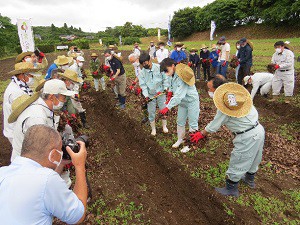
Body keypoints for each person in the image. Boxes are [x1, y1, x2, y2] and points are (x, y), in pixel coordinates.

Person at [189, 80, 265, 197]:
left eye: (209, 89)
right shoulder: (237, 98)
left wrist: (201, 134)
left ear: (217, 90)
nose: (208, 91)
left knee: (239, 159)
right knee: (255, 156)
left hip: (247, 136)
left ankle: (231, 189)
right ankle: (249, 180)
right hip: (258, 129)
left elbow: (215, 124)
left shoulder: (226, 107)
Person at [0, 124, 87, 224]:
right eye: (60, 150)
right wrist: (80, 166)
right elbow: (77, 215)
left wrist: (61, 163)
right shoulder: (48, 180)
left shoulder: (3, 173)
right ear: (53, 154)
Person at [10, 79, 75, 162]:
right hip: (27, 164)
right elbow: (40, 149)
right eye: (63, 97)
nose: (65, 100)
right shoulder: (37, 117)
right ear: (52, 97)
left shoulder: (44, 109)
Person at [159, 58, 200, 153]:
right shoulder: (172, 74)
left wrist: (167, 107)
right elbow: (172, 86)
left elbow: (178, 96)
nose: (165, 73)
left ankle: (190, 145)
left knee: (193, 123)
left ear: (172, 66)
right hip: (183, 103)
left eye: (166, 70)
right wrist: (169, 93)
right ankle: (180, 139)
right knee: (180, 121)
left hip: (191, 101)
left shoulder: (182, 77)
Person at [3, 62, 41, 145]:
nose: (33, 78)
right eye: (31, 75)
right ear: (22, 75)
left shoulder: (20, 86)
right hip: (15, 131)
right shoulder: (16, 92)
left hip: (16, 128)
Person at [138, 53, 169, 136]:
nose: (144, 65)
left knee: (163, 109)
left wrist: (166, 88)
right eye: (142, 64)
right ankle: (153, 129)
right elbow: (143, 85)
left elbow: (165, 78)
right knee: (151, 112)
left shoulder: (159, 68)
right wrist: (146, 96)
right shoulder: (142, 73)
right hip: (150, 95)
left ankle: (164, 126)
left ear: (149, 60)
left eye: (145, 63)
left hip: (161, 92)